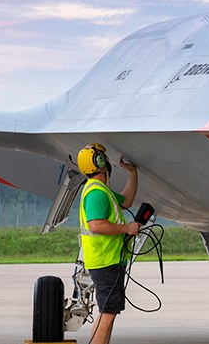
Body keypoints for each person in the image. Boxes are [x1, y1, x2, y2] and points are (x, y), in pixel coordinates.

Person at [77, 142, 141, 344]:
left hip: (109, 260)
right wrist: (126, 228)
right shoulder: (96, 193)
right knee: (108, 313)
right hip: (105, 261)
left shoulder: (102, 191)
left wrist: (133, 173)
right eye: (103, 157)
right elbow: (96, 225)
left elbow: (127, 201)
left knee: (107, 312)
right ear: (99, 162)